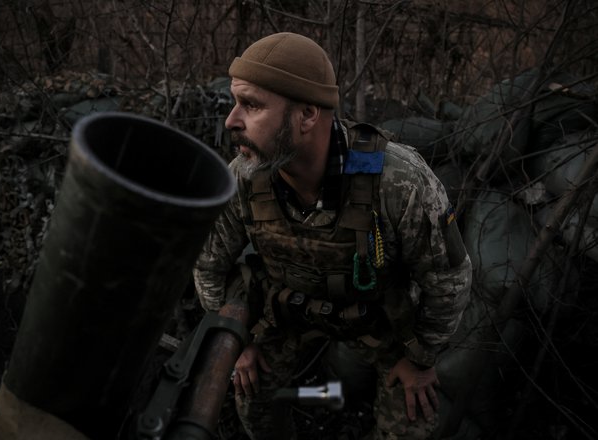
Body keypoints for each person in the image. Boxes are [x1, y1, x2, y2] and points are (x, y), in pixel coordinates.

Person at [193, 32, 472, 440]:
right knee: (252, 405)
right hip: (285, 314)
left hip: (378, 322)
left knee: (414, 425)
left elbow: (449, 279)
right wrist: (238, 341)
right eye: (236, 102)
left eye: (251, 105)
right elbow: (208, 264)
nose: (231, 120)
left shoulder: (399, 182)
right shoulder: (244, 177)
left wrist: (421, 357)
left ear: (307, 116)